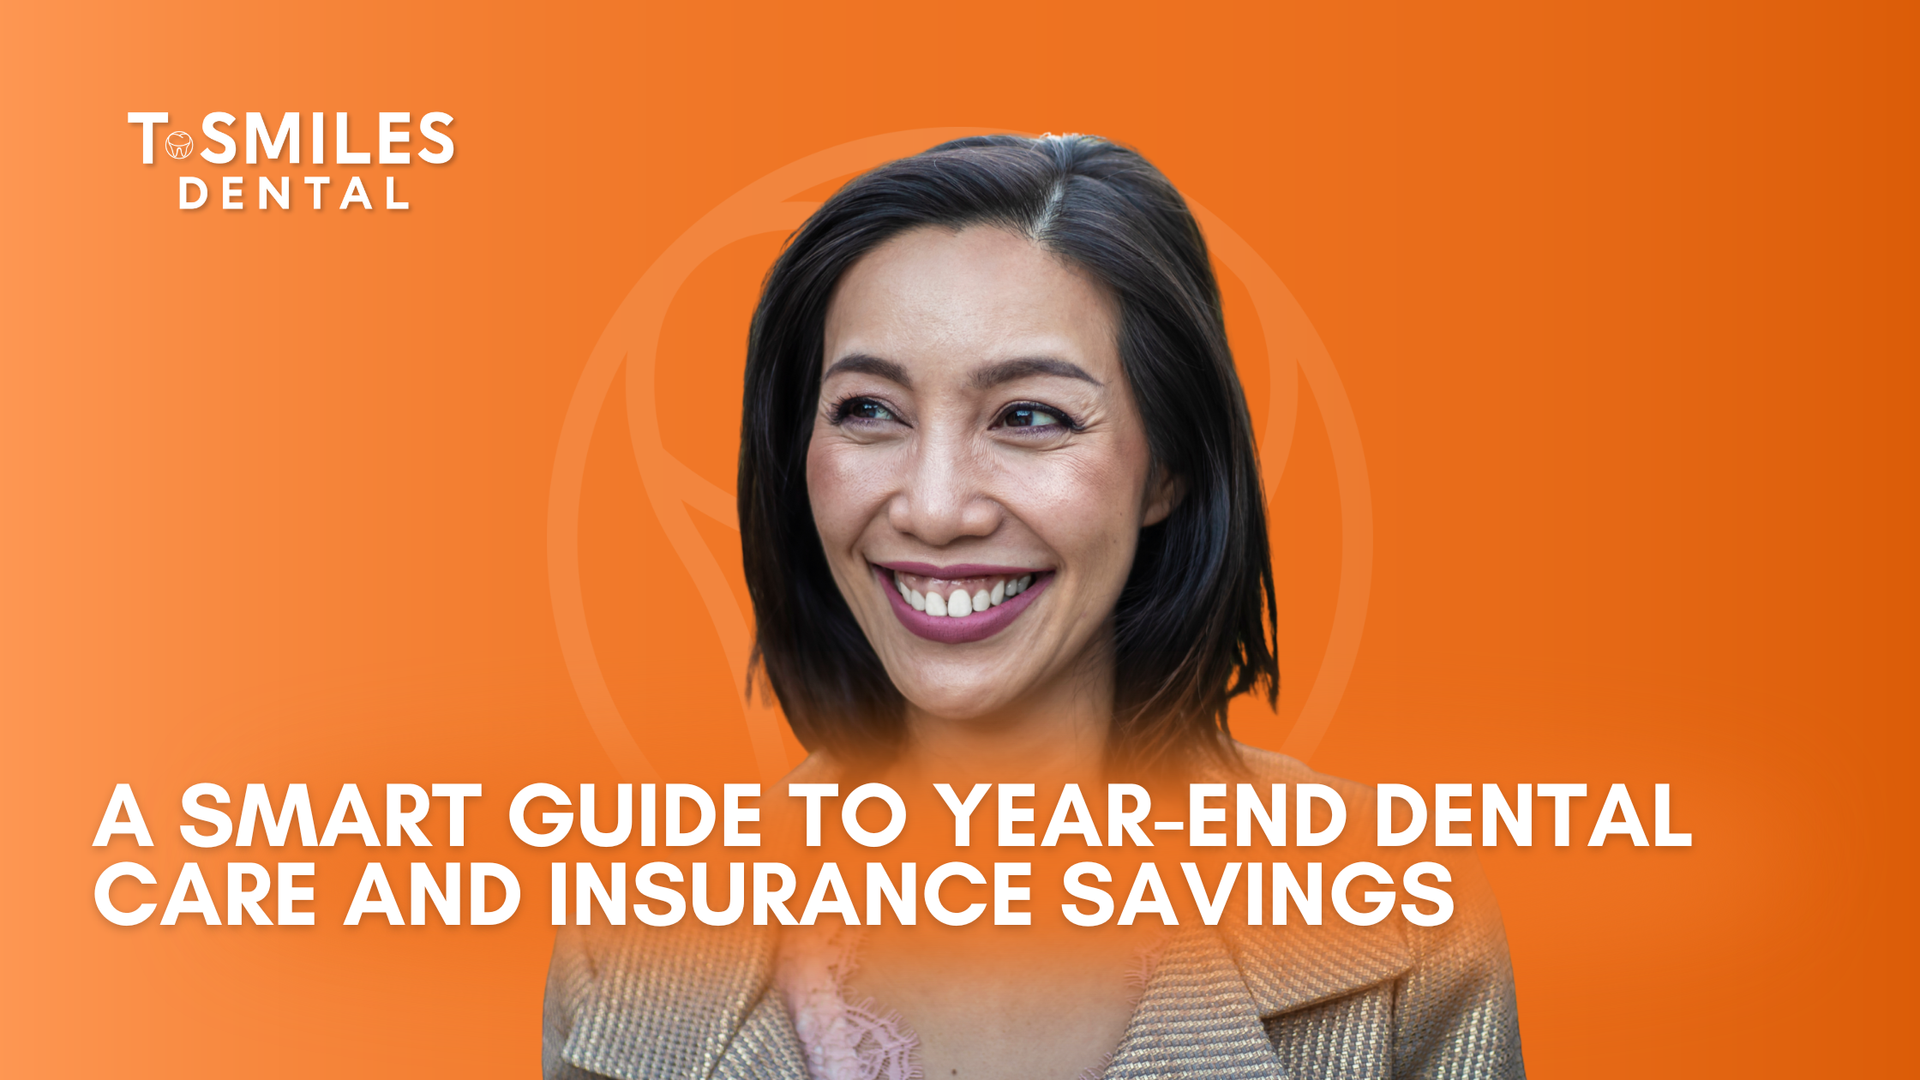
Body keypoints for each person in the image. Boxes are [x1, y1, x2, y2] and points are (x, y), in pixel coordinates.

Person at [544, 134, 1524, 1079]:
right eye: (868, 411)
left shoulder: (1398, 912)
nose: (933, 508)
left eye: (1028, 417)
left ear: (1166, 470)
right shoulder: (635, 936)